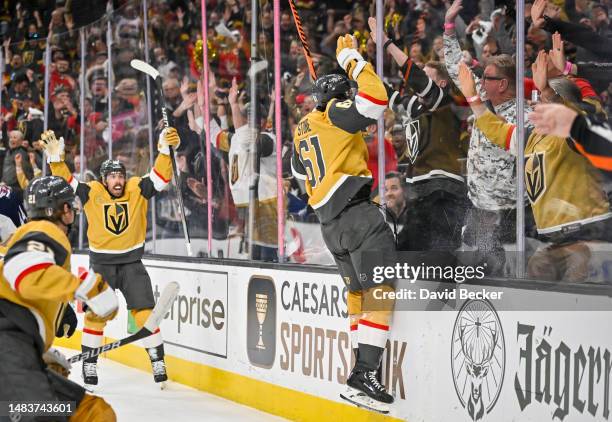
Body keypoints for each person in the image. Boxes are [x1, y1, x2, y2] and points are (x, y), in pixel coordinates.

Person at [291, 34, 395, 412]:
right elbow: (376, 99)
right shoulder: (337, 112)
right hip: (356, 216)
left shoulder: (305, 124)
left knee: (358, 296)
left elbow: (296, 171)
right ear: (339, 96)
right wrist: (351, 58)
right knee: (381, 292)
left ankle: (358, 378)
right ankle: (365, 372)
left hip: (329, 225)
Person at [40, 127, 180, 388]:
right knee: (95, 315)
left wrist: (163, 150)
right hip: (102, 265)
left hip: (131, 264)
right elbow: (67, 184)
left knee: (145, 315)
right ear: (103, 179)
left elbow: (160, 180)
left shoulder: (136, 188)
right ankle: (90, 364)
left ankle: (157, 360)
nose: (117, 181)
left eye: (120, 176)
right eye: (112, 176)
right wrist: (56, 161)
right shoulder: (92, 191)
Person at [457, 58, 612, 281]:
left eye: (540, 100)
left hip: (588, 234)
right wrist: (473, 98)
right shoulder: (531, 138)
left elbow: (586, 115)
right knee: (535, 275)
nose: (533, 104)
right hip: (553, 241)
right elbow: (498, 130)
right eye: (535, 99)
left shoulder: (570, 134)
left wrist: (552, 86)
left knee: (579, 304)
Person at [0, 175, 118, 421]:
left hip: (15, 347)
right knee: (41, 415)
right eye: (71, 205)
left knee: (93, 413)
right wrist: (89, 288)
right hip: (7, 345)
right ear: (65, 209)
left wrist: (37, 353)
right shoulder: (45, 230)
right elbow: (22, 270)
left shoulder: (24, 235)